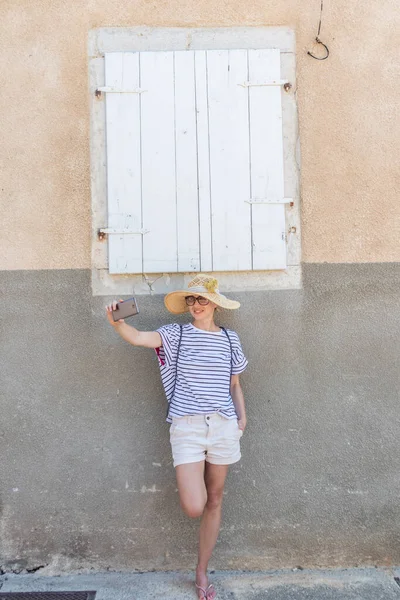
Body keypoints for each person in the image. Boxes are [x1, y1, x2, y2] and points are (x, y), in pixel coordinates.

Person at [105, 274, 248, 600]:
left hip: (224, 425)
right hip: (187, 428)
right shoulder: (176, 335)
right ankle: (200, 568)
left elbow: (235, 384)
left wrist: (242, 417)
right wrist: (116, 323)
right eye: (191, 300)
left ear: (214, 304)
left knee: (215, 499)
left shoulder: (230, 339)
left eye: (202, 299)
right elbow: (139, 336)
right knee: (195, 506)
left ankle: (201, 571)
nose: (196, 305)